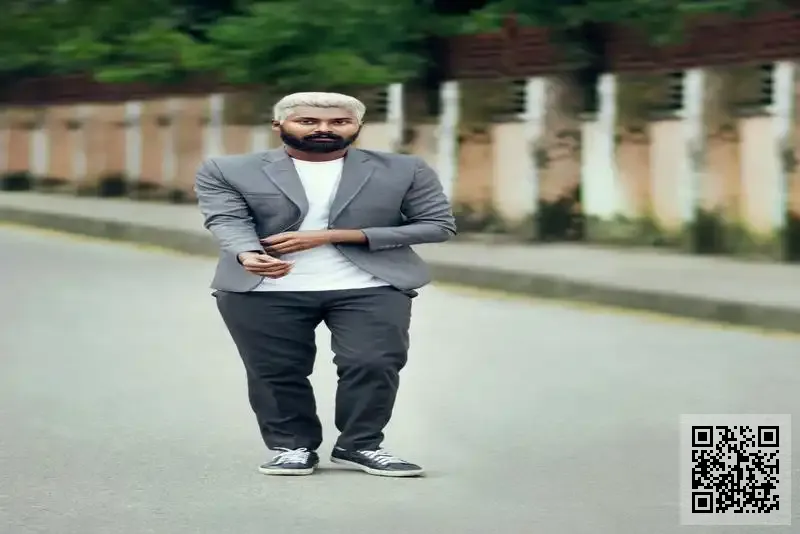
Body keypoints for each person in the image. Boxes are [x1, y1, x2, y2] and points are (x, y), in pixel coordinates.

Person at [194, 92, 456, 477]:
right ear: (278, 125)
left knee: (374, 361)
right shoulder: (227, 169)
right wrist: (247, 254)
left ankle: (360, 445)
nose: (324, 129)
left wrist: (331, 236)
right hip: (264, 287)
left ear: (357, 126)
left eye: (339, 122)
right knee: (276, 371)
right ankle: (292, 446)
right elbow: (226, 218)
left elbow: (437, 225)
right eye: (308, 121)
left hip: (371, 284)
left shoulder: (405, 169)